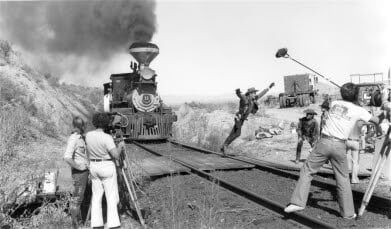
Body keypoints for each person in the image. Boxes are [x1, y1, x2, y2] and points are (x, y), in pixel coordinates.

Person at [284, 82, 379, 219]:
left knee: (307, 170)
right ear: (356, 95)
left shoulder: (334, 103)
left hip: (324, 142)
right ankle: (348, 213)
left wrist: (354, 101)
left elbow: (341, 105)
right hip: (340, 145)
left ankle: (298, 202)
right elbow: (375, 120)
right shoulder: (359, 110)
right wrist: (361, 107)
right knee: (343, 179)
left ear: (342, 94)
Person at [86, 113, 125, 229]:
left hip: (93, 166)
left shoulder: (88, 135)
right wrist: (120, 146)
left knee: (97, 196)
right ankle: (113, 224)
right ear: (106, 123)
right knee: (111, 196)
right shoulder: (107, 138)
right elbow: (116, 155)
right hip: (106, 166)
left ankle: (97, 224)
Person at [220, 82, 275, 155]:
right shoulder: (245, 98)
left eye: (255, 93)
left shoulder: (254, 99)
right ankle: (225, 146)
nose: (255, 94)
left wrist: (269, 87)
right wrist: (238, 92)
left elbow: (262, 93)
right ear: (250, 94)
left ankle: (223, 147)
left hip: (242, 119)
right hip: (238, 118)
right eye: (254, 93)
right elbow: (240, 96)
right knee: (237, 134)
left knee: (233, 133)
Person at [63, 116, 89, 228]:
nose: (85, 127)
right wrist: (79, 167)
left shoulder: (81, 137)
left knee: (80, 197)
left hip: (83, 172)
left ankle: (79, 221)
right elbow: (67, 157)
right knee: (77, 199)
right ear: (81, 126)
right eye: (84, 125)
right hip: (79, 173)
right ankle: (76, 224)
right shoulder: (74, 138)